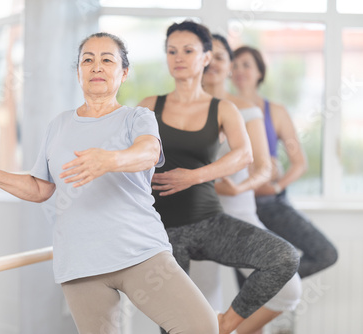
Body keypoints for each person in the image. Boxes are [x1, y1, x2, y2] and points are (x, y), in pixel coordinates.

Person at [0, 32, 218, 334]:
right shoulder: (59, 125)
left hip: (140, 251)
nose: (97, 67)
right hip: (81, 262)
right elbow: (40, 187)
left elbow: (148, 153)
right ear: (78, 72)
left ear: (123, 72)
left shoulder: (137, 117)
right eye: (87, 60)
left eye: (107, 60)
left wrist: (108, 160)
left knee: (201, 326)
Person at [137, 20, 300, 334]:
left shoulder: (223, 108)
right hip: (161, 232)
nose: (178, 57)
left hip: (209, 222)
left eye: (188, 50)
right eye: (171, 51)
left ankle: (225, 323)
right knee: (175, 326)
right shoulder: (148, 107)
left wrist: (195, 176)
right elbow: (129, 159)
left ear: (206, 57)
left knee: (283, 257)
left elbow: (244, 154)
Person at [200, 34, 302, 334]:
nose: (212, 62)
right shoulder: (181, 110)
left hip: (240, 213)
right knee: (204, 303)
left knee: (288, 288)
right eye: (207, 55)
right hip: (197, 218)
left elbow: (262, 168)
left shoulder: (246, 109)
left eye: (221, 56)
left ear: (229, 65)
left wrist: (238, 188)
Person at [231, 46, 338, 279]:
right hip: (238, 208)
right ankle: (260, 287)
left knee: (325, 253)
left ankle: (270, 279)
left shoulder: (276, 112)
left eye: (246, 64)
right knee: (247, 294)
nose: (239, 70)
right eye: (234, 65)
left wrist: (277, 186)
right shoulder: (223, 109)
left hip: (272, 205)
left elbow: (299, 162)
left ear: (260, 72)